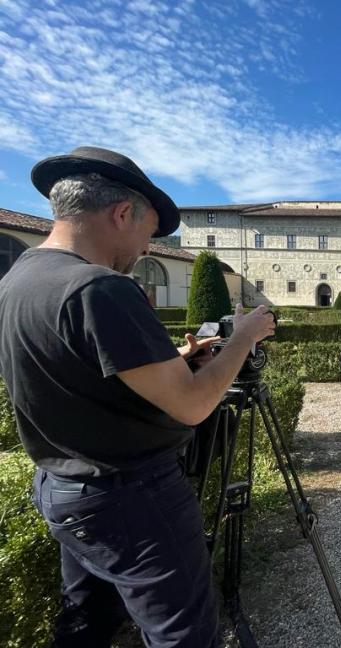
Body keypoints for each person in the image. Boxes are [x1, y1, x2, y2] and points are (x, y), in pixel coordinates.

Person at [0, 146, 276, 647]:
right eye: (149, 233)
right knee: (183, 635)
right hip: (129, 496)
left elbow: (81, 372)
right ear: (122, 213)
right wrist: (244, 339)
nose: (148, 249)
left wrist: (179, 362)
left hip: (64, 486)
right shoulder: (97, 287)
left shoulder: (18, 279)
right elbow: (194, 406)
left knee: (85, 624)